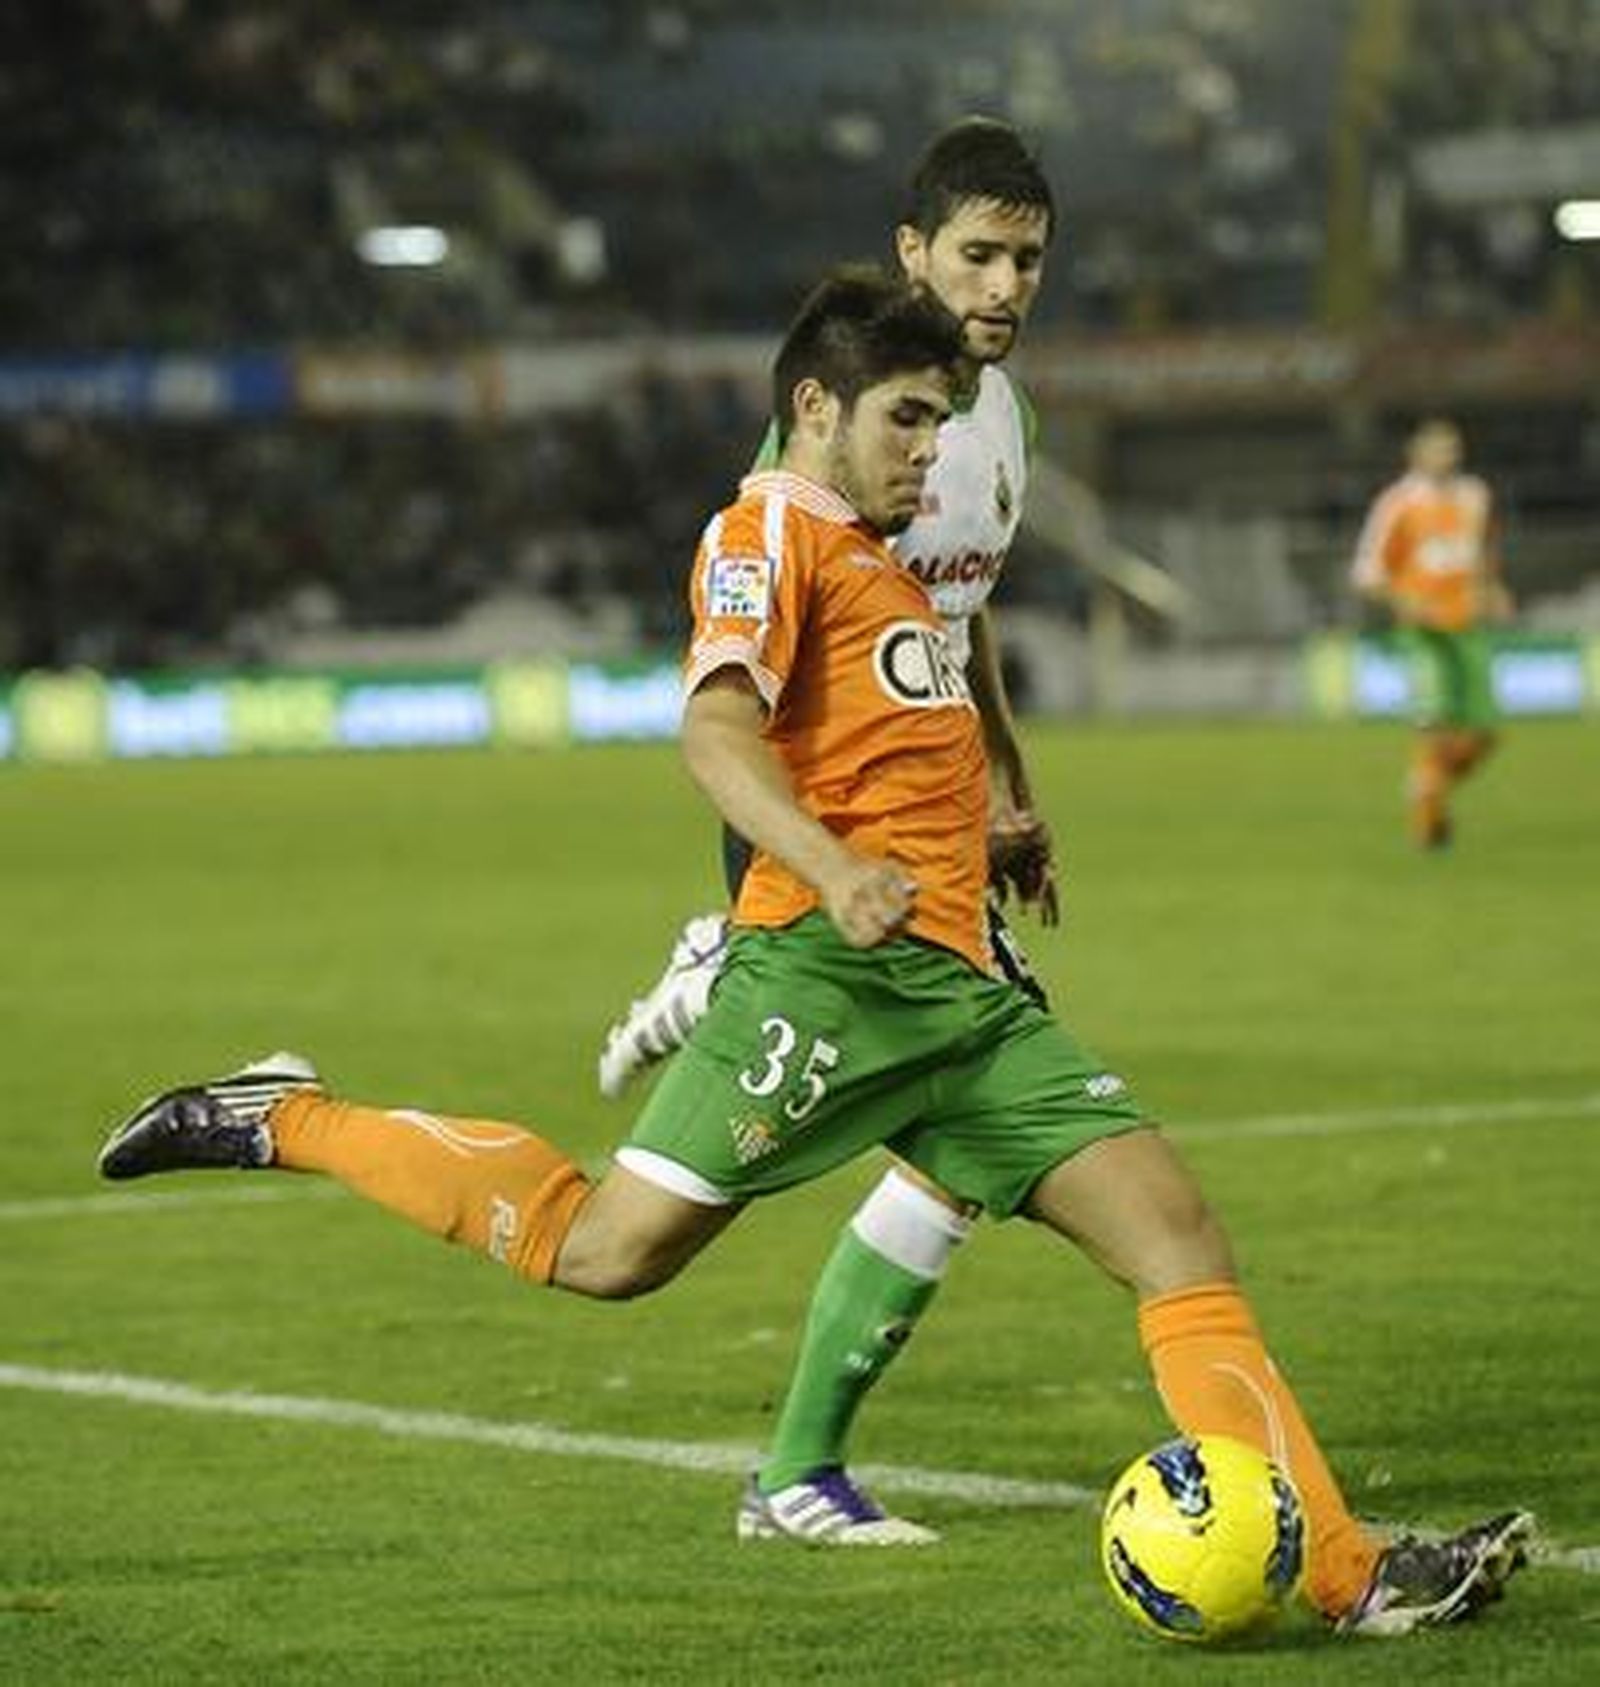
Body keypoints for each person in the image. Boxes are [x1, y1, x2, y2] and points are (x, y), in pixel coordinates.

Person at [99, 268, 1530, 1638]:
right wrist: (833, 868)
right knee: (601, 1251)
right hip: (831, 984)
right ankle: (282, 1112)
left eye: (942, 419)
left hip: (963, 998)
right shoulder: (762, 533)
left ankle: (1347, 1570)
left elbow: (902, 732)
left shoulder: (875, 560)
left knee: (1177, 1234)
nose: (931, 448)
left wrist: (990, 824)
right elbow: (715, 727)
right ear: (816, 404)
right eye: (906, 417)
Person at [599, 116, 1062, 1547]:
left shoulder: (1004, 421)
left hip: (930, 829)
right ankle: (796, 1466)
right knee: (961, 1137)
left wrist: (1005, 781)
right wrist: (798, 866)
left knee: (963, 1147)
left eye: (1028, 260)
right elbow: (765, 628)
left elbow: (954, 618)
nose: (1003, 285)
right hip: (840, 847)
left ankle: (798, 1465)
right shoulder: (837, 428)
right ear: (912, 254)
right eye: (977, 254)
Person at [1351, 418, 1512, 849]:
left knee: (1484, 735)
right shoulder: (1398, 503)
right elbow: (1366, 571)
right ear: (1416, 455)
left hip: (1469, 626)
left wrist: (1493, 588)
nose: (1448, 458)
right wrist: (1404, 601)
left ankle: (1428, 786)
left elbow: (1480, 552)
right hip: (1422, 633)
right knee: (1434, 723)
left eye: (1453, 449)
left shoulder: (1475, 495)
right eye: (1438, 450)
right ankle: (1428, 825)